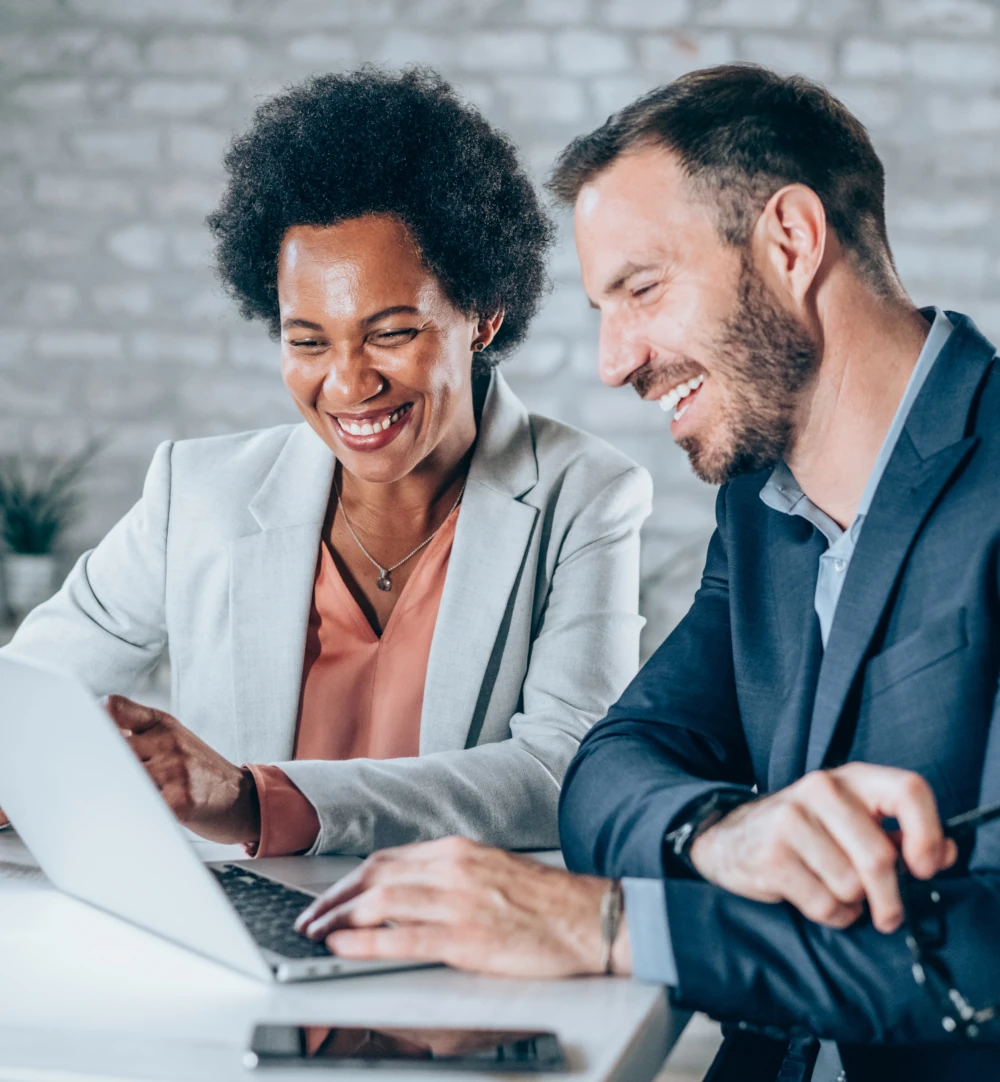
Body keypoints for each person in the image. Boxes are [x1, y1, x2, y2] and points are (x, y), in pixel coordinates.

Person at [292, 65, 1000, 1081]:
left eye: (640, 289)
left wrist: (615, 923)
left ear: (790, 241)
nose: (612, 360)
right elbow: (611, 767)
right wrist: (716, 831)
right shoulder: (761, 511)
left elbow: (981, 951)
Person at [0, 68, 651, 858]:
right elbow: (26, 699)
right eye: (308, 340)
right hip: (239, 940)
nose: (347, 384)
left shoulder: (587, 497)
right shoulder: (197, 494)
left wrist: (256, 802)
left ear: (482, 316)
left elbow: (562, 773)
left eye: (392, 333)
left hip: (451, 954)